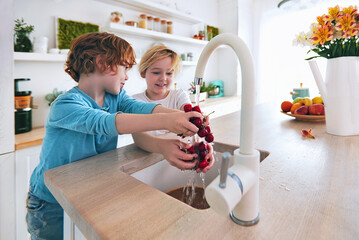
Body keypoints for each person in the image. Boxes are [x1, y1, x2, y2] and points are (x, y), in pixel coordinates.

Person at [26, 32, 204, 240]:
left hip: (86, 193)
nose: (127, 76)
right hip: (50, 203)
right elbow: (105, 123)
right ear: (103, 63)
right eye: (125, 68)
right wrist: (169, 122)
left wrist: (186, 118)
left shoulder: (115, 97)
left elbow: (140, 108)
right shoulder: (65, 105)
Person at [131, 45, 214, 171]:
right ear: (143, 73)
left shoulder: (179, 95)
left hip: (176, 157)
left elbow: (189, 116)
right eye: (156, 72)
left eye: (169, 73)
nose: (163, 78)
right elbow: (138, 137)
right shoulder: (136, 101)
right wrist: (162, 147)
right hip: (148, 163)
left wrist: (203, 145)